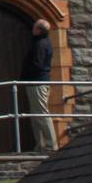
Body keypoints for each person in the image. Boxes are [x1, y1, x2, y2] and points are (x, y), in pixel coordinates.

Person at [19, 18, 57, 151]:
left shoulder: (41, 44)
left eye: (34, 27)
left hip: (38, 82)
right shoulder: (41, 42)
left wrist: (26, 74)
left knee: (41, 113)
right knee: (36, 115)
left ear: (39, 30)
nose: (32, 29)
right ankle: (40, 145)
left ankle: (51, 145)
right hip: (36, 82)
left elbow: (38, 64)